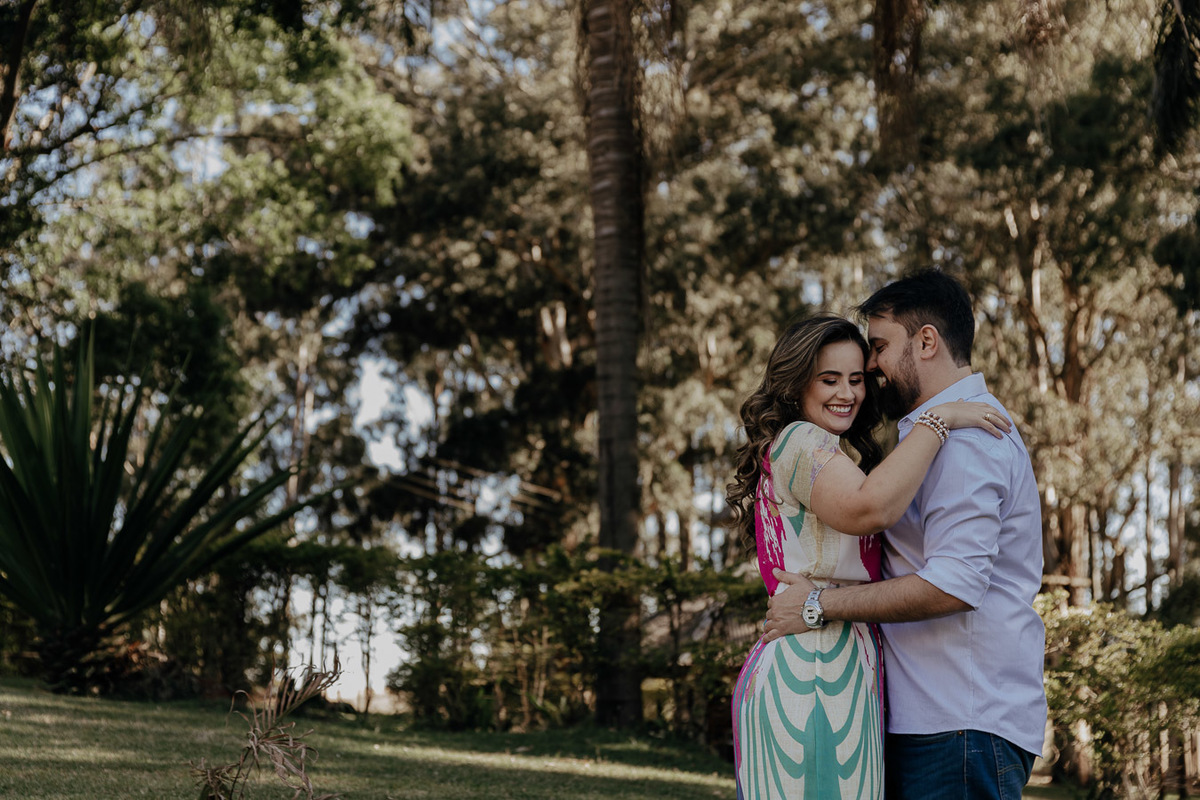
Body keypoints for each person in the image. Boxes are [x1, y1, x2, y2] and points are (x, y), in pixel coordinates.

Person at [763, 269, 1047, 799]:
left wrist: (818, 604)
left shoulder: (965, 444)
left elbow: (953, 585)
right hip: (937, 720)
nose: (869, 368)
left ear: (926, 341)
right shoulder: (935, 434)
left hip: (960, 722)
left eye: (878, 347)